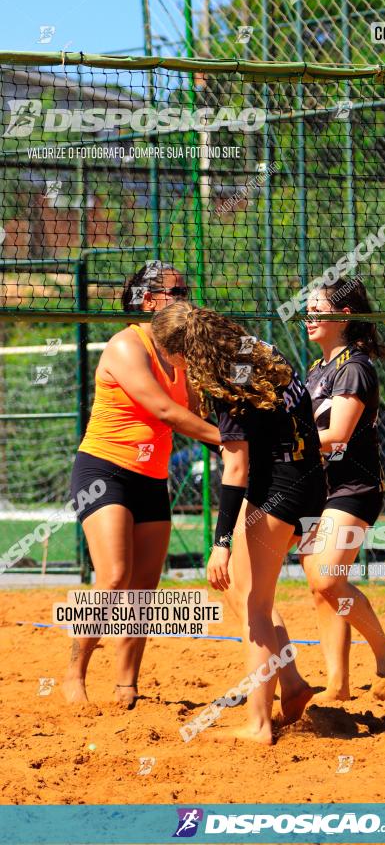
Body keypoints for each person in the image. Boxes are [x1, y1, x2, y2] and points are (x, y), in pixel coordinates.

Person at [152, 301, 327, 744]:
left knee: (253, 608)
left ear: (184, 351)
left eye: (166, 355)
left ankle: (259, 724)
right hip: (309, 480)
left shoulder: (228, 385)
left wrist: (221, 542)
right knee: (258, 597)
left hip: (276, 489)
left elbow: (235, 469)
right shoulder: (261, 352)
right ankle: (292, 686)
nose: (168, 365)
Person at [63, 263, 221, 707]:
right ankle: (74, 673)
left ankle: (126, 685)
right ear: (149, 301)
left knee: (142, 591)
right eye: (178, 291)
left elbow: (193, 410)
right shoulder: (126, 345)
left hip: (151, 477)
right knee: (114, 578)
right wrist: (228, 443)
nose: (187, 297)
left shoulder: (179, 353)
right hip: (104, 472)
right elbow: (167, 413)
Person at [300, 277, 385, 700]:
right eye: (306, 306)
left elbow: (337, 435)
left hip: (354, 486)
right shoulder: (316, 371)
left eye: (317, 306)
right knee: (322, 586)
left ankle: (384, 650)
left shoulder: (354, 367)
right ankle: (337, 684)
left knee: (326, 577)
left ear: (344, 316)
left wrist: (282, 443)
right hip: (320, 488)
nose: (308, 314)